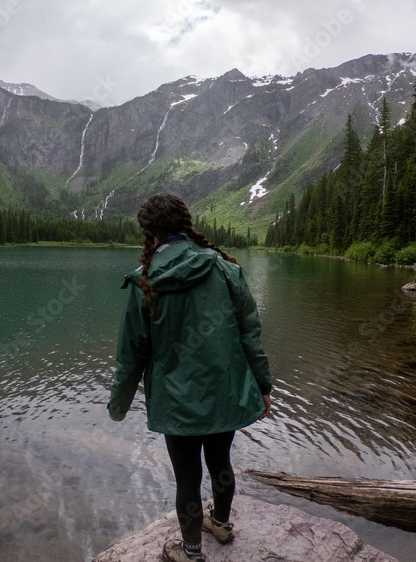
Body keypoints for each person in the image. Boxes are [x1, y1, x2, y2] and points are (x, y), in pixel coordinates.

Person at [107, 193, 273, 562]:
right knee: (221, 464)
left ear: (148, 231)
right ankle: (222, 524)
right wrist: (263, 387)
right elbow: (251, 335)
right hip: (225, 391)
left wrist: (118, 404)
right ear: (187, 222)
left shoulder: (145, 280)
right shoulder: (226, 268)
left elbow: (132, 352)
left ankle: (192, 552)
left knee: (187, 479)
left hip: (175, 398)